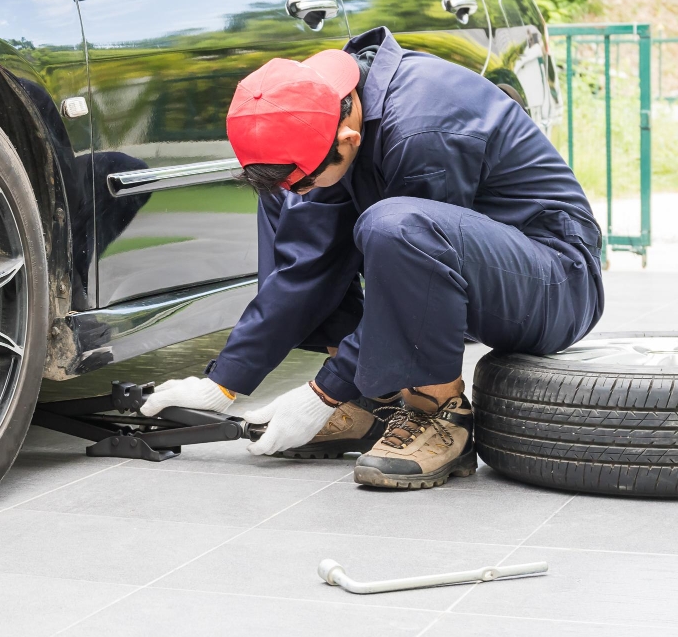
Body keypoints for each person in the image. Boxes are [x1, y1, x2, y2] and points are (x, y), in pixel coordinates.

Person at [139, 26, 604, 489]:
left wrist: (322, 392)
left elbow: (417, 277)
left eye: (309, 176)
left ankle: (439, 411)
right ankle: (369, 400)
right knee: (285, 199)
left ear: (346, 138)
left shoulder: (423, 126)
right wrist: (223, 384)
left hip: (553, 282)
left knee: (395, 226)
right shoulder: (332, 104)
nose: (300, 188)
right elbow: (308, 262)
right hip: (464, 271)